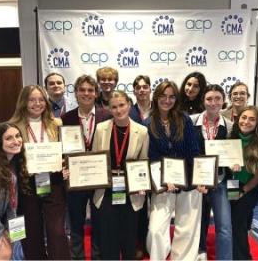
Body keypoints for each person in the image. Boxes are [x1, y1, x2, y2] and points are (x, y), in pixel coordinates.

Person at [9, 84, 72, 259]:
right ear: (23, 102)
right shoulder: (13, 127)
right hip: (26, 184)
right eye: (32, 100)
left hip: (54, 182)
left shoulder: (56, 123)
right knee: (32, 231)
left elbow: (66, 151)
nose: (37, 103)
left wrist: (66, 167)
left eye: (41, 99)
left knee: (57, 231)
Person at [146, 79, 205, 261]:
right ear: (156, 98)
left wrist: (200, 178)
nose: (167, 100)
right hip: (163, 183)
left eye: (172, 96)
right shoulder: (148, 123)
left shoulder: (184, 119)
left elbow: (193, 151)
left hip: (187, 181)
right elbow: (152, 157)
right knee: (156, 229)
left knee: (187, 228)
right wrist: (166, 178)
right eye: (163, 96)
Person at [92, 89, 149, 260]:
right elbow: (95, 158)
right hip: (107, 190)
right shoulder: (101, 129)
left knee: (128, 239)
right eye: (114, 107)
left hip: (131, 192)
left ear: (129, 104)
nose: (118, 110)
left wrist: (142, 184)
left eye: (122, 105)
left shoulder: (142, 131)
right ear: (109, 109)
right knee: (108, 240)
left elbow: (143, 160)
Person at [61, 74, 111, 257]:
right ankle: (77, 257)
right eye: (82, 90)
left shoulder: (107, 116)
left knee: (99, 222)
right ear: (75, 93)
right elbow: (61, 150)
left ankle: (98, 257)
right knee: (76, 222)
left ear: (96, 93)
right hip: (76, 179)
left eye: (90, 90)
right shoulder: (66, 118)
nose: (86, 93)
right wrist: (63, 166)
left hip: (99, 177)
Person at [192, 83, 233, 261]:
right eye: (209, 98)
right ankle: (199, 252)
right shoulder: (191, 121)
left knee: (224, 225)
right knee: (197, 222)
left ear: (223, 101)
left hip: (220, 180)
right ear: (203, 101)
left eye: (217, 98)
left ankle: (224, 258)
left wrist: (234, 163)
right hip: (197, 181)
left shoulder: (231, 126)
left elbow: (233, 153)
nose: (213, 102)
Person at [228, 105, 258, 258]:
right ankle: (234, 252)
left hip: (250, 187)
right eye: (244, 117)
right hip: (233, 183)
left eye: (252, 119)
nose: (246, 121)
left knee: (238, 222)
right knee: (235, 219)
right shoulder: (232, 138)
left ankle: (244, 257)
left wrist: (242, 191)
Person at [0, 122, 27, 261]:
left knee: (17, 251)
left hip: (5, 220)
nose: (16, 141)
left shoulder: (13, 163)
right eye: (9, 138)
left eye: (17, 136)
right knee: (3, 253)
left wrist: (12, 230)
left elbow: (12, 201)